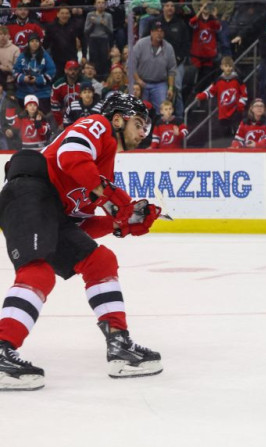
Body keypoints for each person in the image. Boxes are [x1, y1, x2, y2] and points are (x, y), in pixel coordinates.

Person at [0, 94, 163, 390]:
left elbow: (80, 224)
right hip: (30, 191)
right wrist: (118, 200)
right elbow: (70, 156)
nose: (144, 132)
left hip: (53, 211)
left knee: (100, 260)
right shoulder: (98, 125)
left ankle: (119, 346)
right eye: (139, 124)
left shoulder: (104, 168)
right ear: (117, 119)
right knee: (38, 272)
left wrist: (121, 223)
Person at [130, 19, 177, 112]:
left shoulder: (168, 47)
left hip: (160, 83)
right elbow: (131, 64)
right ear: (151, 32)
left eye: (161, 31)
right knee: (140, 111)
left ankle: (159, 126)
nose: (159, 33)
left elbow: (172, 69)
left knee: (162, 111)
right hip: (142, 83)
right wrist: (138, 80)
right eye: (156, 31)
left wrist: (171, 87)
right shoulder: (141, 44)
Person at [195, 56, 247, 139]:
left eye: (230, 66)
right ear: (222, 67)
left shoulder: (238, 80)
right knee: (226, 135)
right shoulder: (218, 81)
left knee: (237, 135)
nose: (228, 68)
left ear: (233, 67)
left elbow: (244, 94)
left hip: (235, 112)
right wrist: (201, 96)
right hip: (223, 114)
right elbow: (211, 91)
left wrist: (241, 105)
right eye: (226, 66)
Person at [13, 33, 56, 113]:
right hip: (23, 93)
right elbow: (15, 71)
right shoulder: (22, 56)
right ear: (28, 43)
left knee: (42, 117)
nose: (34, 43)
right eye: (32, 41)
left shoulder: (45, 56)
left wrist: (37, 80)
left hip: (42, 93)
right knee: (23, 118)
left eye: (36, 41)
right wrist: (23, 78)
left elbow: (52, 71)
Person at [50, 60, 85, 130]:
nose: (73, 72)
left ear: (78, 70)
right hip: (63, 116)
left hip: (81, 116)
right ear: (65, 70)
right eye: (70, 69)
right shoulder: (58, 85)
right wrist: (60, 122)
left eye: (75, 69)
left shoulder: (84, 83)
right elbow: (55, 106)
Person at [85, 0, 114, 81]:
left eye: (102, 3)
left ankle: (104, 79)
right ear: (95, 5)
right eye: (98, 2)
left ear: (105, 5)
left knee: (104, 60)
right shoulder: (90, 15)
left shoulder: (108, 16)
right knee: (93, 60)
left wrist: (104, 25)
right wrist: (92, 24)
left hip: (104, 39)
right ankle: (94, 78)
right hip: (93, 39)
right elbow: (86, 31)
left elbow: (111, 31)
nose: (101, 5)